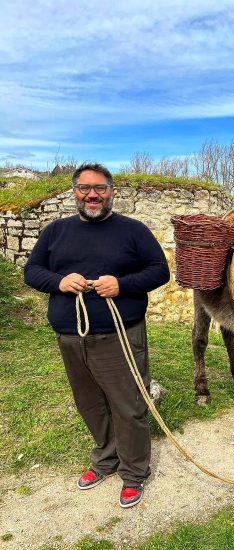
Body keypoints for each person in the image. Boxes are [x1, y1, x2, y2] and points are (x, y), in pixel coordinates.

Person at [24, 162, 170, 508]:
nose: (92, 195)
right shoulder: (55, 231)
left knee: (128, 406)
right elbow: (32, 271)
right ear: (74, 191)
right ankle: (106, 460)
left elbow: (159, 271)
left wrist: (122, 284)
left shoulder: (133, 230)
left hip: (119, 335)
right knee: (89, 403)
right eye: (84, 188)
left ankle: (134, 472)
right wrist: (58, 281)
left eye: (100, 188)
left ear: (111, 191)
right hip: (71, 336)